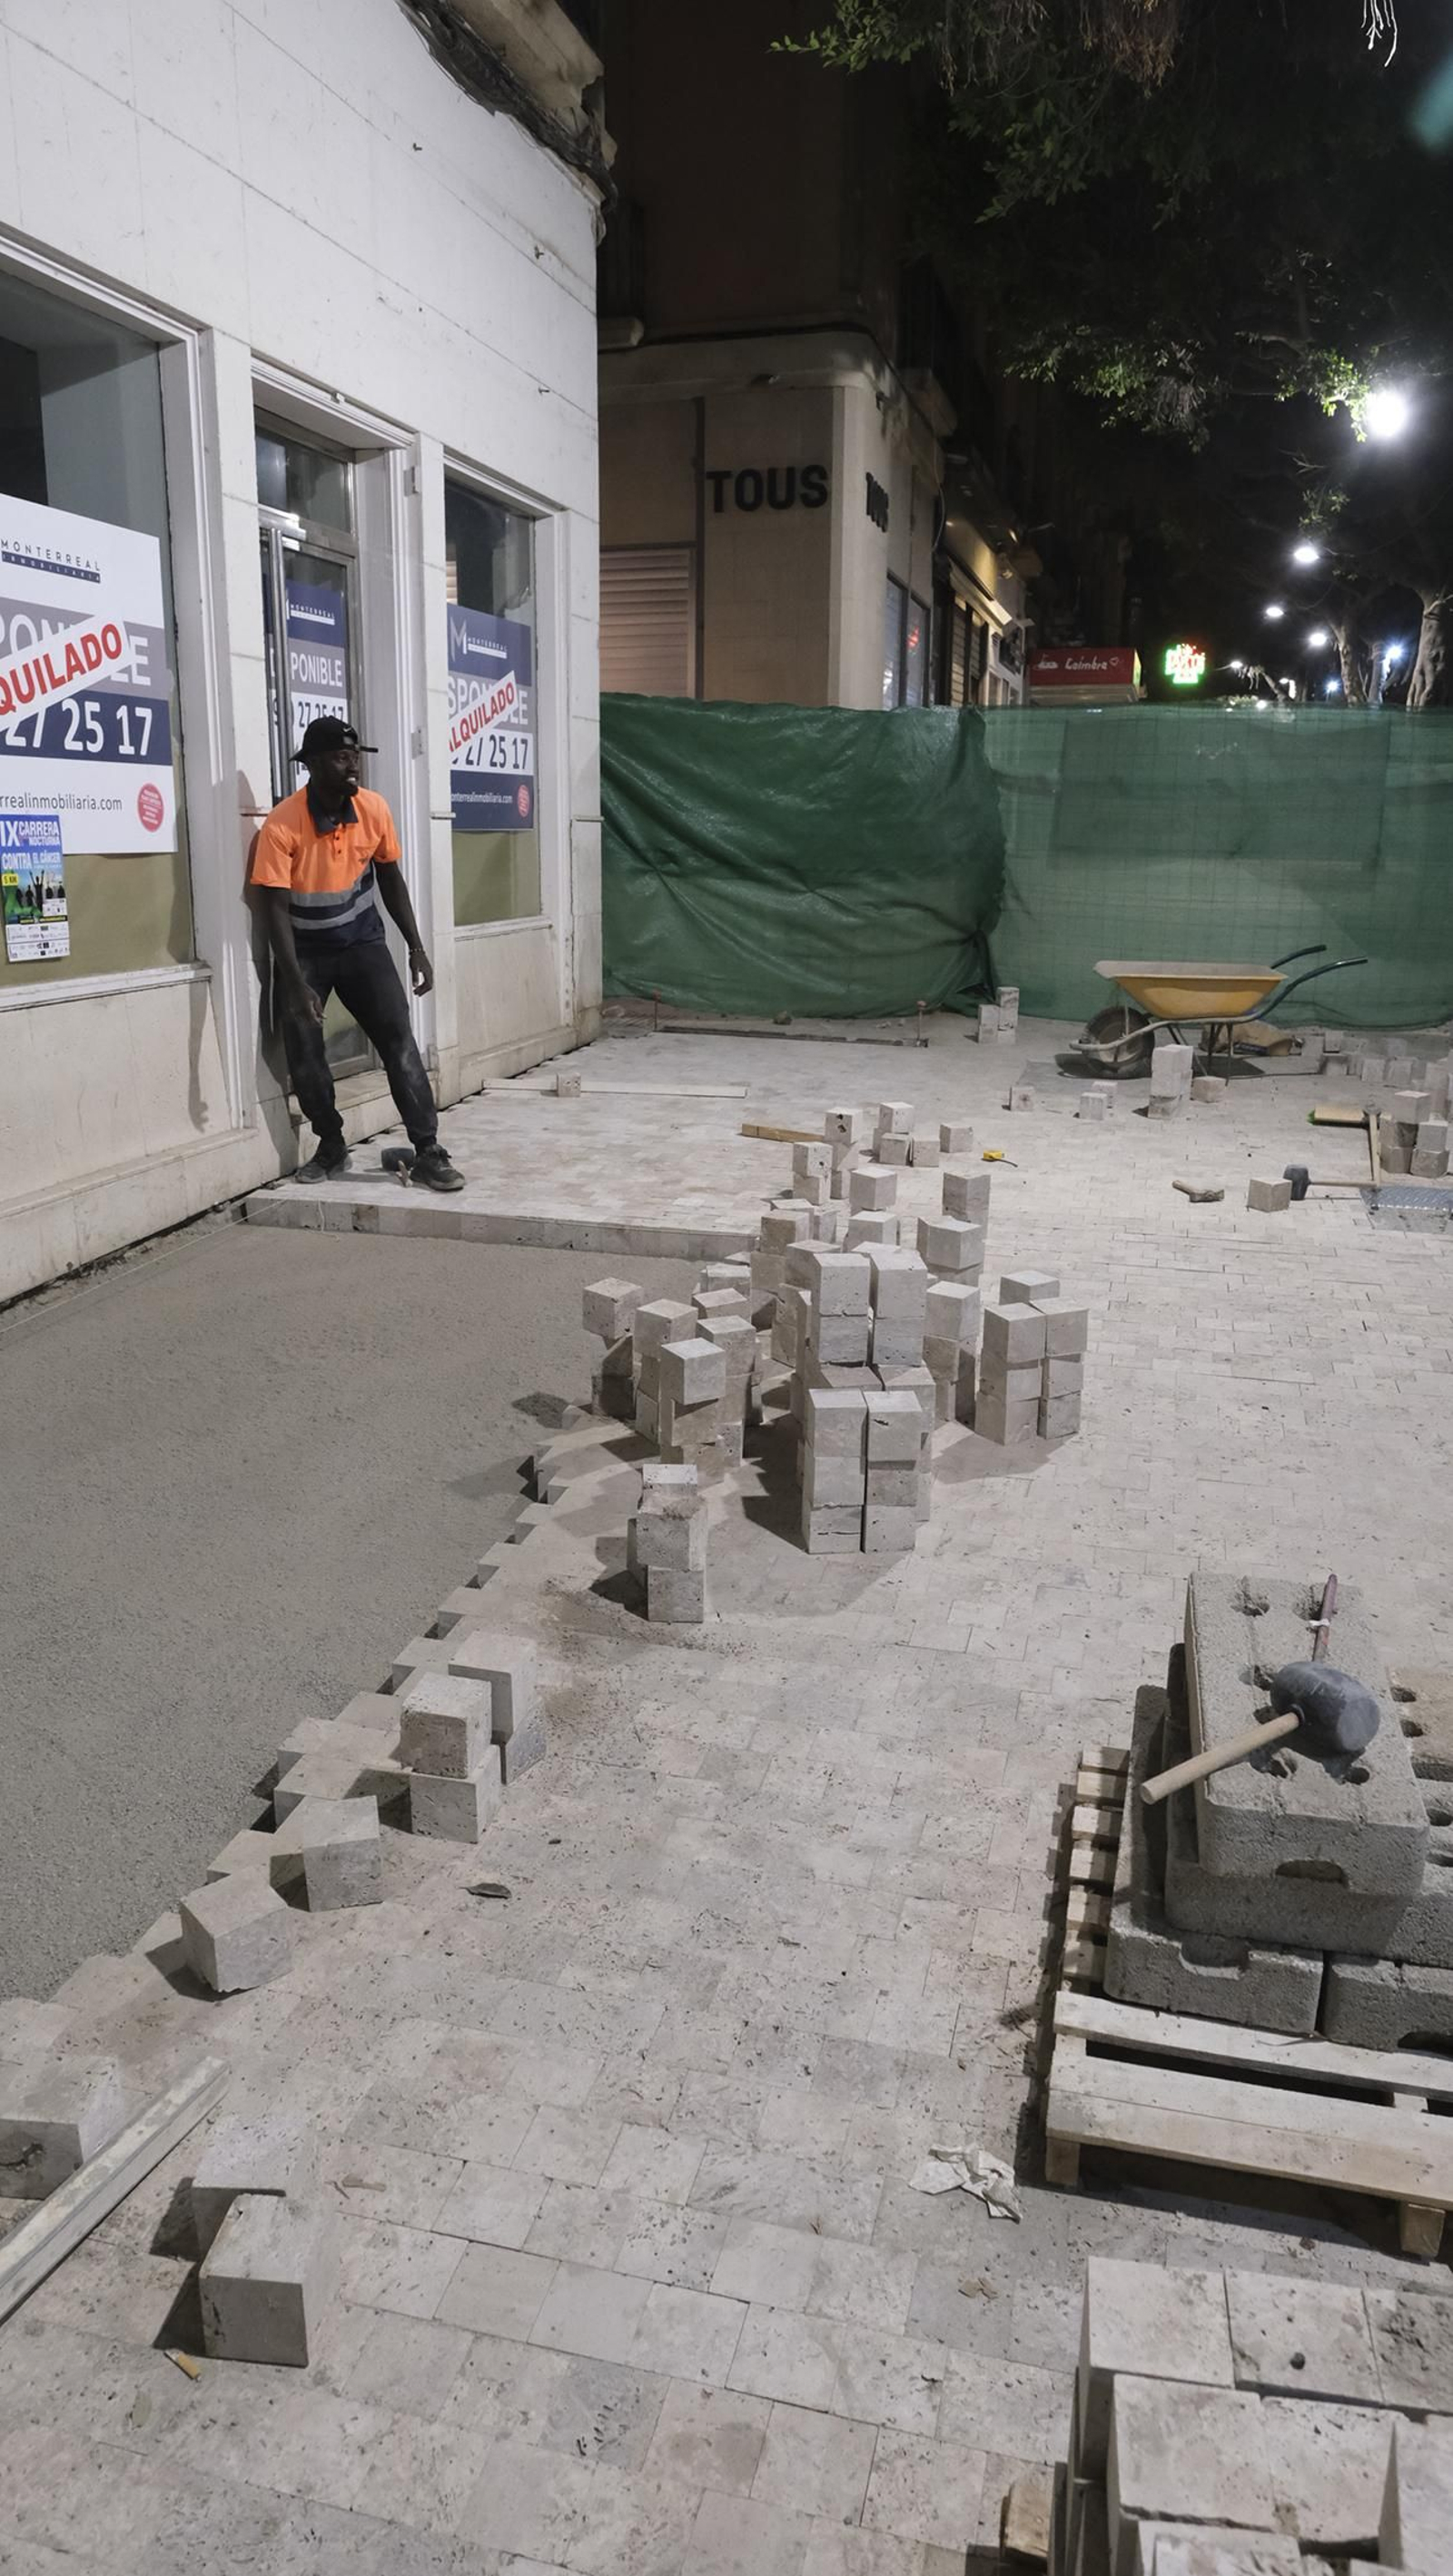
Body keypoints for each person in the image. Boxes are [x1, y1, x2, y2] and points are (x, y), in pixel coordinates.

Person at [252, 717, 463, 1189]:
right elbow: (274, 908)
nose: (354, 768)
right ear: (312, 765)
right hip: (304, 951)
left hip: (362, 943)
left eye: (356, 758)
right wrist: (295, 981)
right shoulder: (283, 824)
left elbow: (391, 878)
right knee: (305, 1053)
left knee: (399, 1041)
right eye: (342, 759)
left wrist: (416, 948)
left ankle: (428, 1150)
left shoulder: (373, 809)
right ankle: (331, 1146)